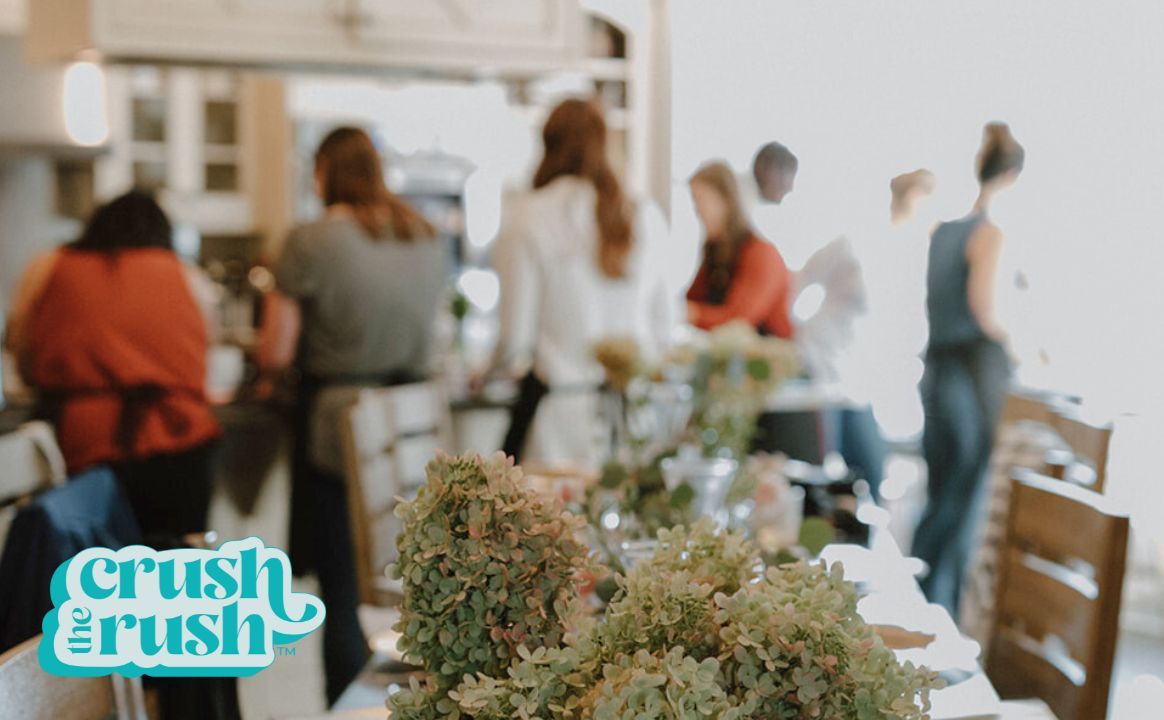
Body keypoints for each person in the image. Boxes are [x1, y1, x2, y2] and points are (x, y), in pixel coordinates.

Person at [5, 191, 236, 719]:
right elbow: (205, 352)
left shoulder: (51, 268)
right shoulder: (185, 276)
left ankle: (109, 698)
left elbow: (24, 353)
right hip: (179, 450)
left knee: (102, 598)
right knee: (187, 600)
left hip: (88, 454)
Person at [256, 126, 450, 705]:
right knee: (416, 577)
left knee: (344, 584)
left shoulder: (311, 240)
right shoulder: (424, 234)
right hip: (414, 425)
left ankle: (348, 705)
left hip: (340, 429)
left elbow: (275, 351)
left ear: (323, 173)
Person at [489, 98, 672, 466]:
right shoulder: (644, 215)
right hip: (634, 419)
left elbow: (515, 340)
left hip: (559, 422)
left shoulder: (528, 216)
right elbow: (664, 329)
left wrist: (489, 373)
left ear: (547, 144)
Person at [911, 123, 1023, 615]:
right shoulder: (988, 234)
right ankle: (940, 616)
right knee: (963, 497)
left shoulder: (941, 232)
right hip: (972, 376)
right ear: (1013, 177)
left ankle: (916, 606)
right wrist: (1021, 348)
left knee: (939, 495)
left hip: (937, 372)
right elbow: (985, 310)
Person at [686, 161, 793, 339]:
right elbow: (692, 298)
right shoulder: (715, 252)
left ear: (725, 201)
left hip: (769, 352)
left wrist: (687, 313)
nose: (695, 212)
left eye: (699, 200)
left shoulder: (762, 254)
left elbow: (737, 320)